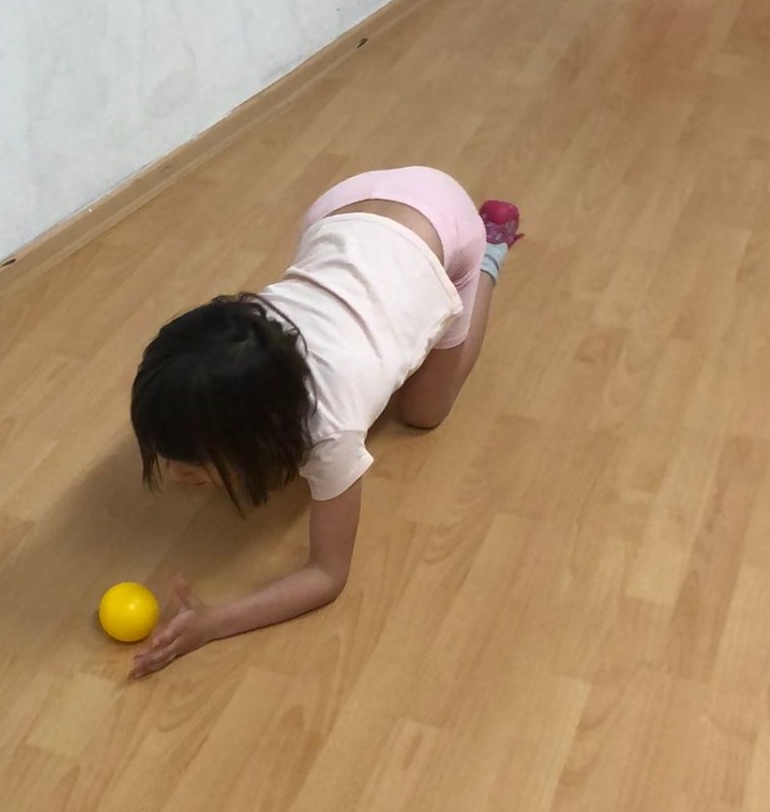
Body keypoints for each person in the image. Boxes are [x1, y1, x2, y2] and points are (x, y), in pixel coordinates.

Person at [126, 170, 521, 677]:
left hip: (444, 227)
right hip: (339, 210)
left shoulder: (330, 428)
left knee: (424, 413)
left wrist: (214, 622)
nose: (175, 475)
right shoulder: (242, 338)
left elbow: (327, 574)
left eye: (190, 464)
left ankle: (489, 253)